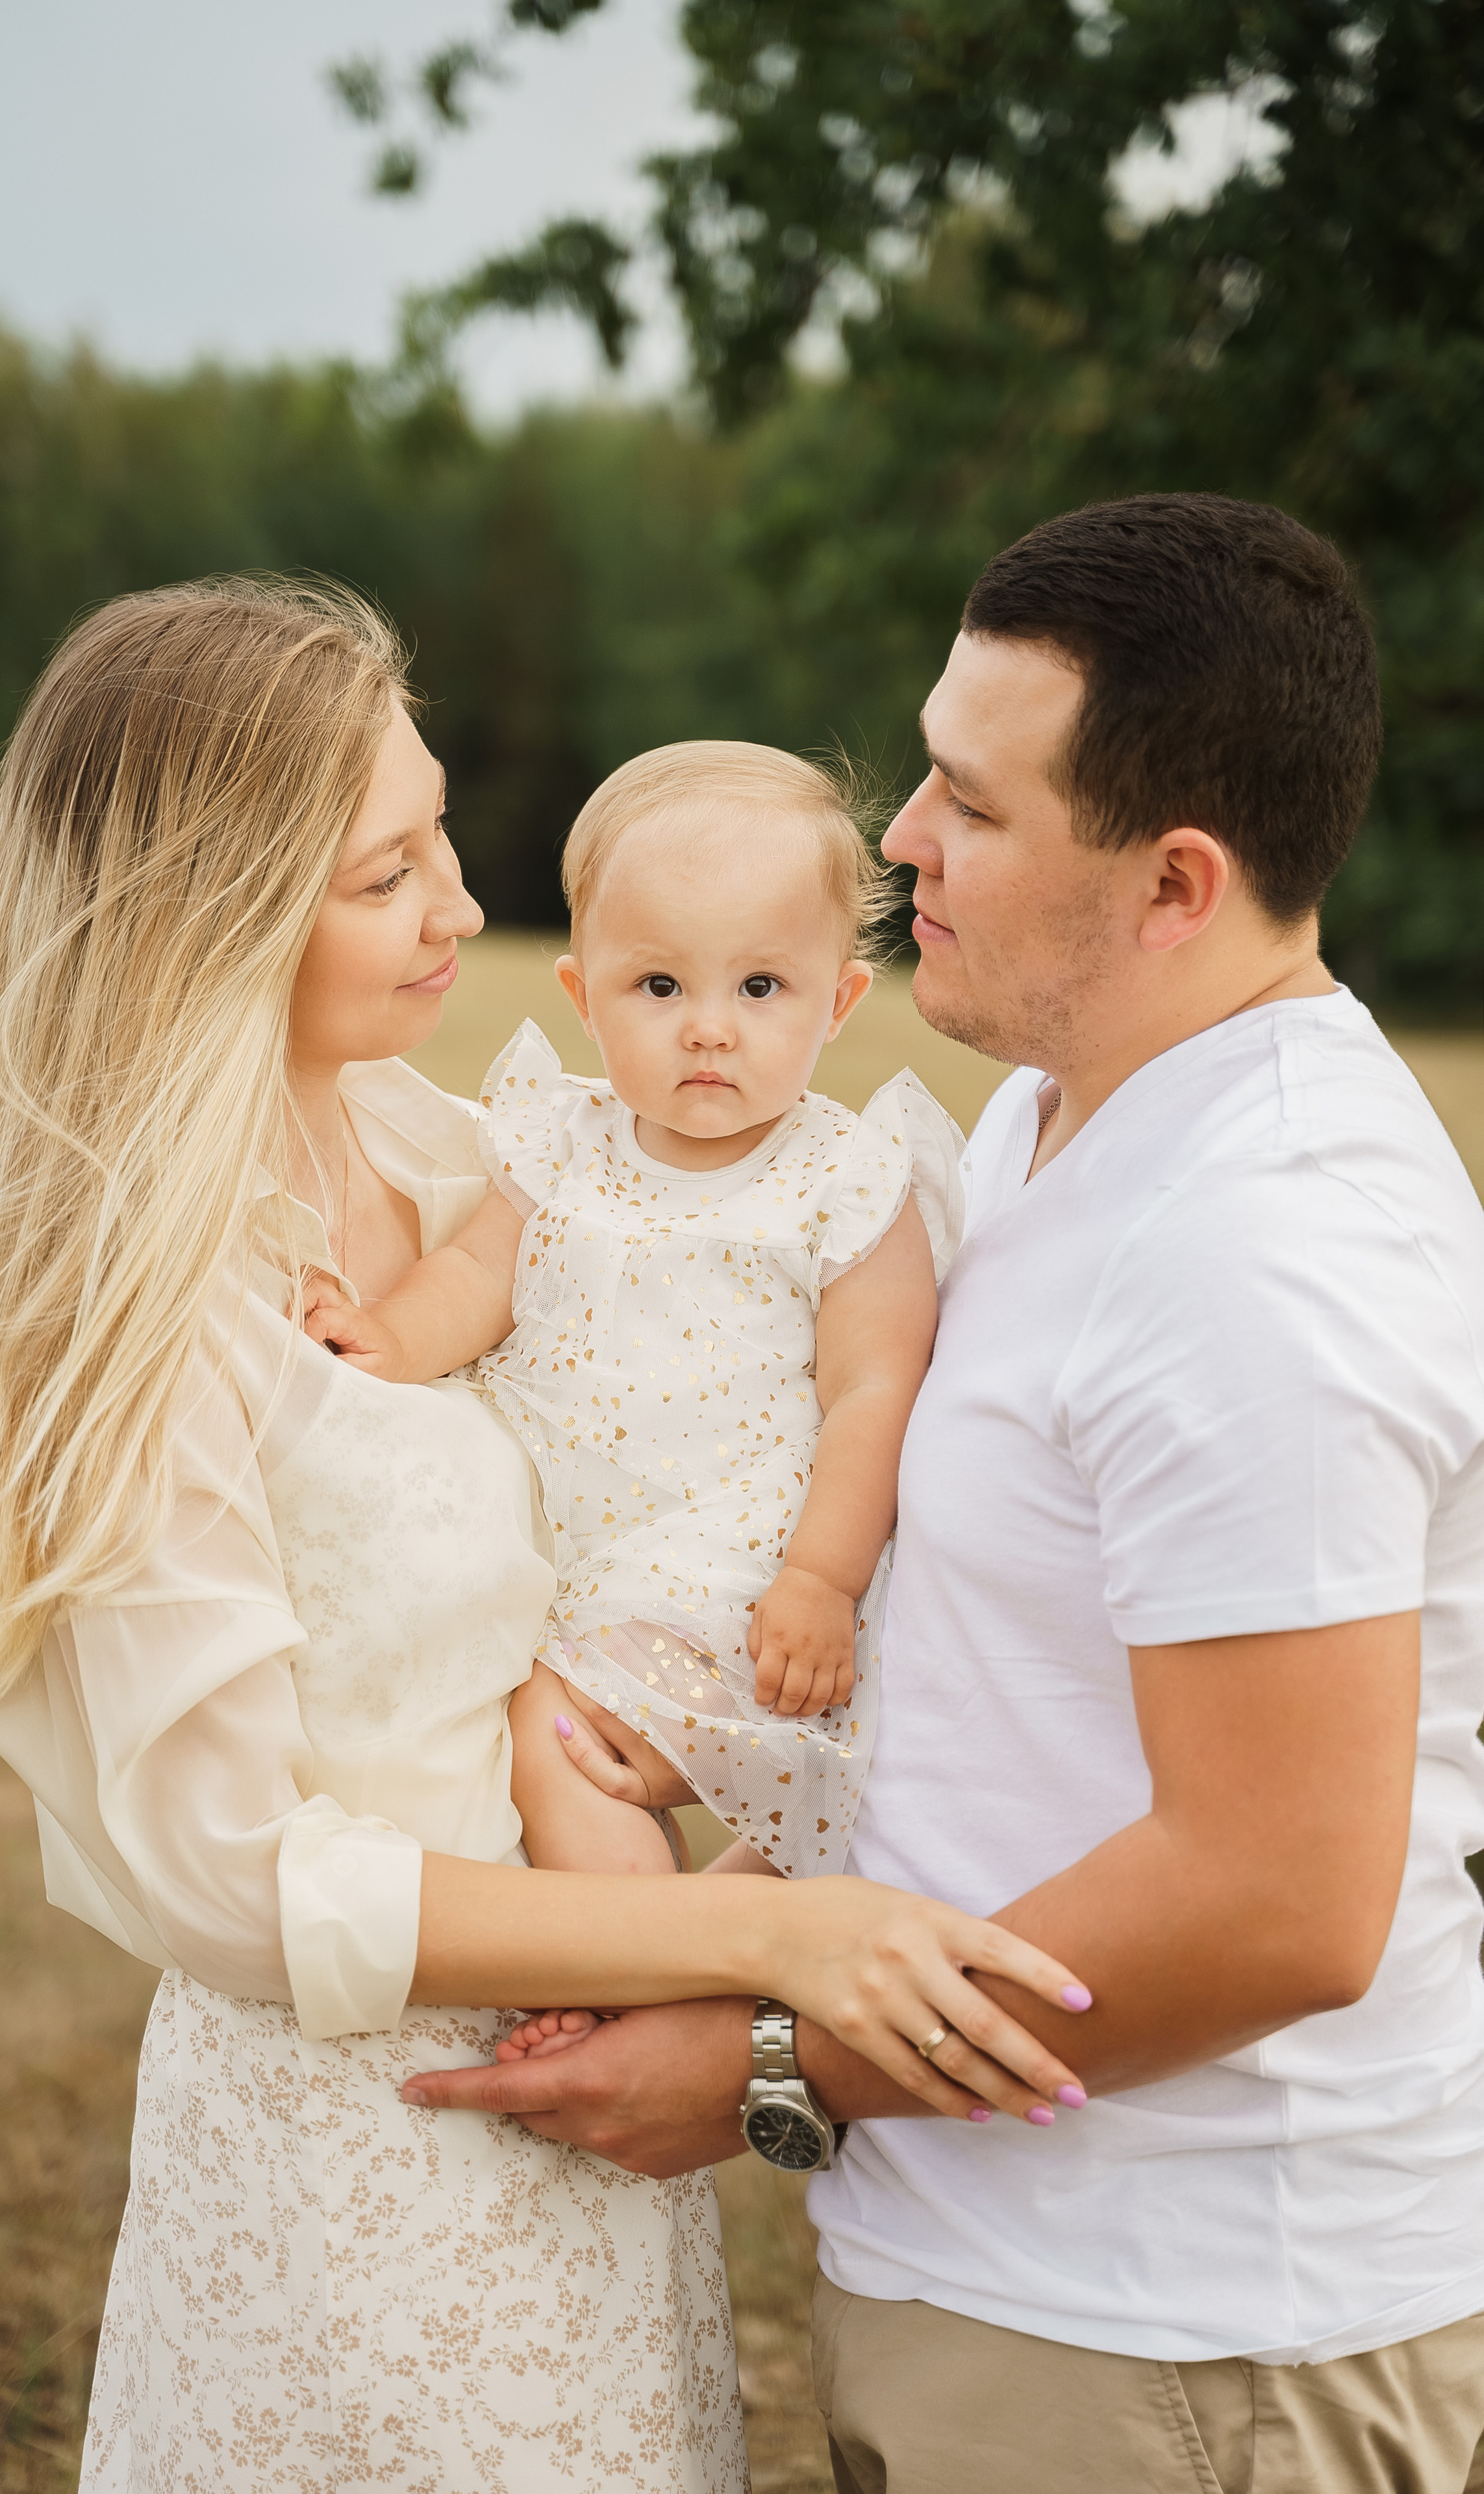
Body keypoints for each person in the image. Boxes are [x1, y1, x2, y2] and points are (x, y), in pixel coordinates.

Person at [0, 575, 1096, 2494]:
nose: (457, 905)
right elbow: (235, 1885)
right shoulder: (129, 1315)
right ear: (211, 907)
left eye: (440, 838)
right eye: (385, 873)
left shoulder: (457, 1155)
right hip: (361, 2149)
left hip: (591, 2125)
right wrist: (742, 1934)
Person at [401, 496, 1484, 2494]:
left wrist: (760, 2070)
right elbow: (998, 1719)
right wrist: (706, 1940)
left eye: (972, 807)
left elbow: (1277, 1898)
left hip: (1184, 2346)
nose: (896, 839)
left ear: (1172, 882)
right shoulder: (1050, 1133)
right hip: (1004, 2277)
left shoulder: (1271, 1252)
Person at [299, 740, 966, 1887]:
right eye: (659, 987)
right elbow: (476, 1277)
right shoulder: (565, 1144)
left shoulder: (845, 1180)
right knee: (548, 1739)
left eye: (760, 988)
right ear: (584, 995)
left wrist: (821, 1580)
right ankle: (648, 1941)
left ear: (841, 999)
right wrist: (394, 1339)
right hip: (580, 1554)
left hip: (747, 1569)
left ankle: (635, 1971)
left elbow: (876, 1390)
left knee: (556, 1739)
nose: (709, 1028)